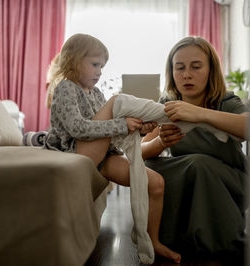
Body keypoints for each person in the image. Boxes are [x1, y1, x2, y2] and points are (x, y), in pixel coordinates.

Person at [44, 33, 181, 263]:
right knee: (117, 102)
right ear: (73, 60)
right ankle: (165, 112)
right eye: (95, 64)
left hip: (103, 154)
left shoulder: (96, 93)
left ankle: (153, 240)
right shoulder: (66, 87)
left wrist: (137, 129)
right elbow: (77, 128)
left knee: (156, 183)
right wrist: (121, 123)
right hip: (75, 151)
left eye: (102, 66)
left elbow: (108, 134)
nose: (99, 71)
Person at [141, 36, 249, 264]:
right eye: (179, 68)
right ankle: (170, 237)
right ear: (172, 73)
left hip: (230, 181)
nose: (186, 74)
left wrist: (200, 114)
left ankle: (217, 243)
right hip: (193, 174)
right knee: (150, 170)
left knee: (199, 164)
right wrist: (160, 142)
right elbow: (140, 152)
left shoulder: (225, 101)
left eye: (196, 67)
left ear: (211, 70)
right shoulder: (167, 103)